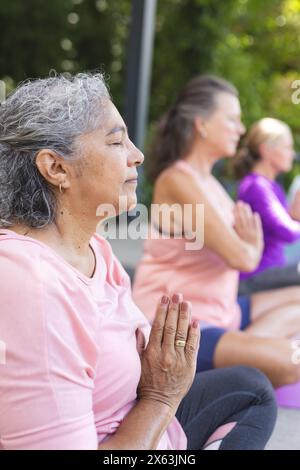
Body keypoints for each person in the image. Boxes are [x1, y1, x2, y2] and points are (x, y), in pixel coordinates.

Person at [0, 73, 277, 450]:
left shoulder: (95, 248)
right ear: (56, 168)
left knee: (250, 389)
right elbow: (240, 256)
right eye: (116, 141)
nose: (137, 154)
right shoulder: (31, 282)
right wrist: (162, 396)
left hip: (148, 420)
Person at [132, 75, 300, 390]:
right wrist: (250, 245)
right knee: (291, 361)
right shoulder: (177, 180)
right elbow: (243, 258)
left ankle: (238, 353)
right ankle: (227, 362)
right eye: (233, 119)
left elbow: (247, 250)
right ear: (202, 125)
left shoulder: (211, 184)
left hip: (222, 312)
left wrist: (250, 245)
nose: (240, 128)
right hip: (179, 328)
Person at [233, 118, 300, 294]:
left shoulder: (272, 186)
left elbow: (283, 227)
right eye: (287, 147)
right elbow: (287, 232)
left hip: (271, 273)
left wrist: (294, 216)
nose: (292, 154)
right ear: (266, 150)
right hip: (256, 277)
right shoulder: (257, 186)